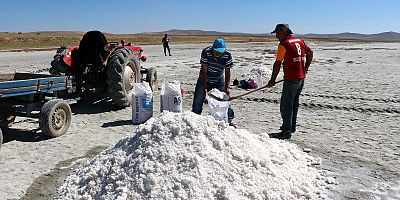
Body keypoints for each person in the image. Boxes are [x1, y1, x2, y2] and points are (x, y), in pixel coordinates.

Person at [266, 24, 313, 139]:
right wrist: (305, 68)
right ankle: (291, 126)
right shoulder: (299, 40)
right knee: (294, 104)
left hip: (291, 79)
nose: (276, 36)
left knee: (286, 106)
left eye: (277, 33)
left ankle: (286, 132)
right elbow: (310, 52)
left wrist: (272, 80)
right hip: (301, 78)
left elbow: (277, 64)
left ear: (284, 31)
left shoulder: (284, 44)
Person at [192, 38, 234, 124]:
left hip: (219, 81)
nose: (218, 54)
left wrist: (227, 88)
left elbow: (227, 72)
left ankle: (228, 121)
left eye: (220, 52)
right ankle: (194, 121)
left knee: (224, 101)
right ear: (213, 48)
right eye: (216, 52)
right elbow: (204, 71)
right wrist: (204, 87)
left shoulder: (227, 55)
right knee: (198, 101)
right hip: (204, 79)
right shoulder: (206, 52)